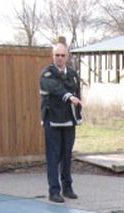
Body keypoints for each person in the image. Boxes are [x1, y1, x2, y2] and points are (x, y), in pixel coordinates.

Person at [39, 42, 82, 203]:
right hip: (53, 121)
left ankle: (67, 187)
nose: (60, 58)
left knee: (67, 156)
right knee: (53, 157)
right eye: (57, 55)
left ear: (67, 56)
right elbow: (55, 88)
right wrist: (68, 96)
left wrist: (78, 115)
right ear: (53, 56)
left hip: (68, 121)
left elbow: (77, 94)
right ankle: (54, 190)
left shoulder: (73, 74)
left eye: (63, 55)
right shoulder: (47, 74)